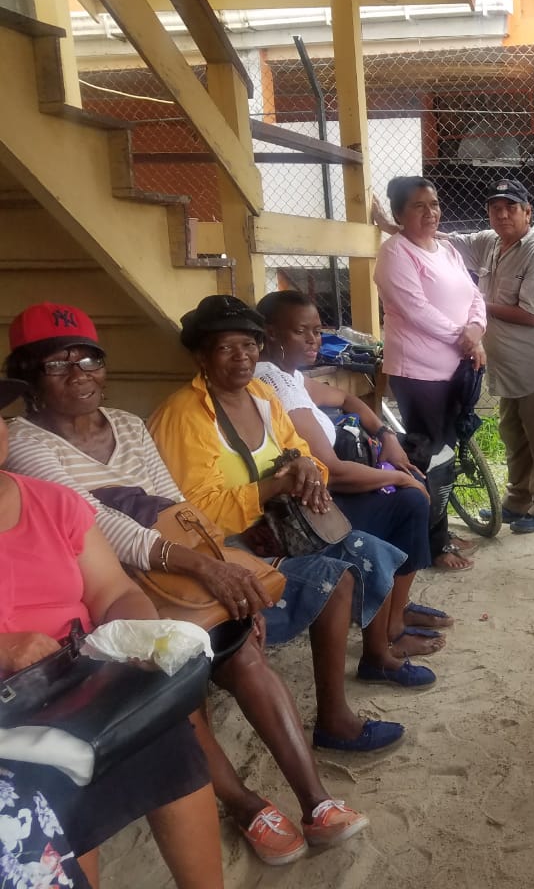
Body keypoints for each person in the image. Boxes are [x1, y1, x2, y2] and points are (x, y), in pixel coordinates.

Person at [2, 302, 372, 864]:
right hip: (110, 584)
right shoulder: (26, 443)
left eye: (89, 358)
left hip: (175, 568)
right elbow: (101, 528)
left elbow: (175, 507)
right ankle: (246, 805)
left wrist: (227, 574)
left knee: (245, 650)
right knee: (174, 680)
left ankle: (316, 801)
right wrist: (206, 569)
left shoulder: (127, 423)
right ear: (29, 376)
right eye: (58, 363)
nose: (80, 373)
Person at [148, 295, 435, 695]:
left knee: (368, 549)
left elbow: (302, 454)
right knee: (335, 576)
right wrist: (278, 485)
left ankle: (377, 656)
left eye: (248, 345)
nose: (242, 356)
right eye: (226, 347)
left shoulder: (262, 397)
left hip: (280, 524)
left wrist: (304, 469)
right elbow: (197, 511)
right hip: (227, 544)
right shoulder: (185, 415)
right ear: (201, 356)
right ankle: (334, 717)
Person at [0, 379, 223, 889]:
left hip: (73, 674)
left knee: (162, 731)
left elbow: (113, 592)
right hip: (11, 712)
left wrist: (139, 637)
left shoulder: (53, 504)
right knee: (52, 784)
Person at [256, 289, 458, 657]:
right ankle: (391, 626)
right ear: (270, 333)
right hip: (304, 511)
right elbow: (331, 472)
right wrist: (398, 477)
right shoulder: (273, 381)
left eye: (318, 330)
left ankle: (396, 606)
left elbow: (348, 400)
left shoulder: (289, 376)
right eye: (302, 331)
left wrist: (385, 437)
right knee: (410, 497)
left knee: (408, 485)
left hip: (321, 495)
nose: (314, 340)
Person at [371, 174, 486, 565]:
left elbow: (475, 296)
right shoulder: (395, 254)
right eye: (418, 206)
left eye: (433, 204)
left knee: (446, 454)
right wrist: (465, 337)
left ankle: (438, 530)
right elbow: (415, 310)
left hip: (457, 368)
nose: (430, 212)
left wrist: (475, 329)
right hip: (419, 372)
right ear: (400, 214)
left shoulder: (448, 251)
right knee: (428, 454)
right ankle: (428, 544)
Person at [448, 180, 534, 534]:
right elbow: (445, 242)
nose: (502, 215)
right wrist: (395, 225)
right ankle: (518, 502)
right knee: (515, 435)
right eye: (495, 208)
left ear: (527, 213)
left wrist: (477, 307)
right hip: (509, 367)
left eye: (511, 208)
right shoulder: (490, 243)